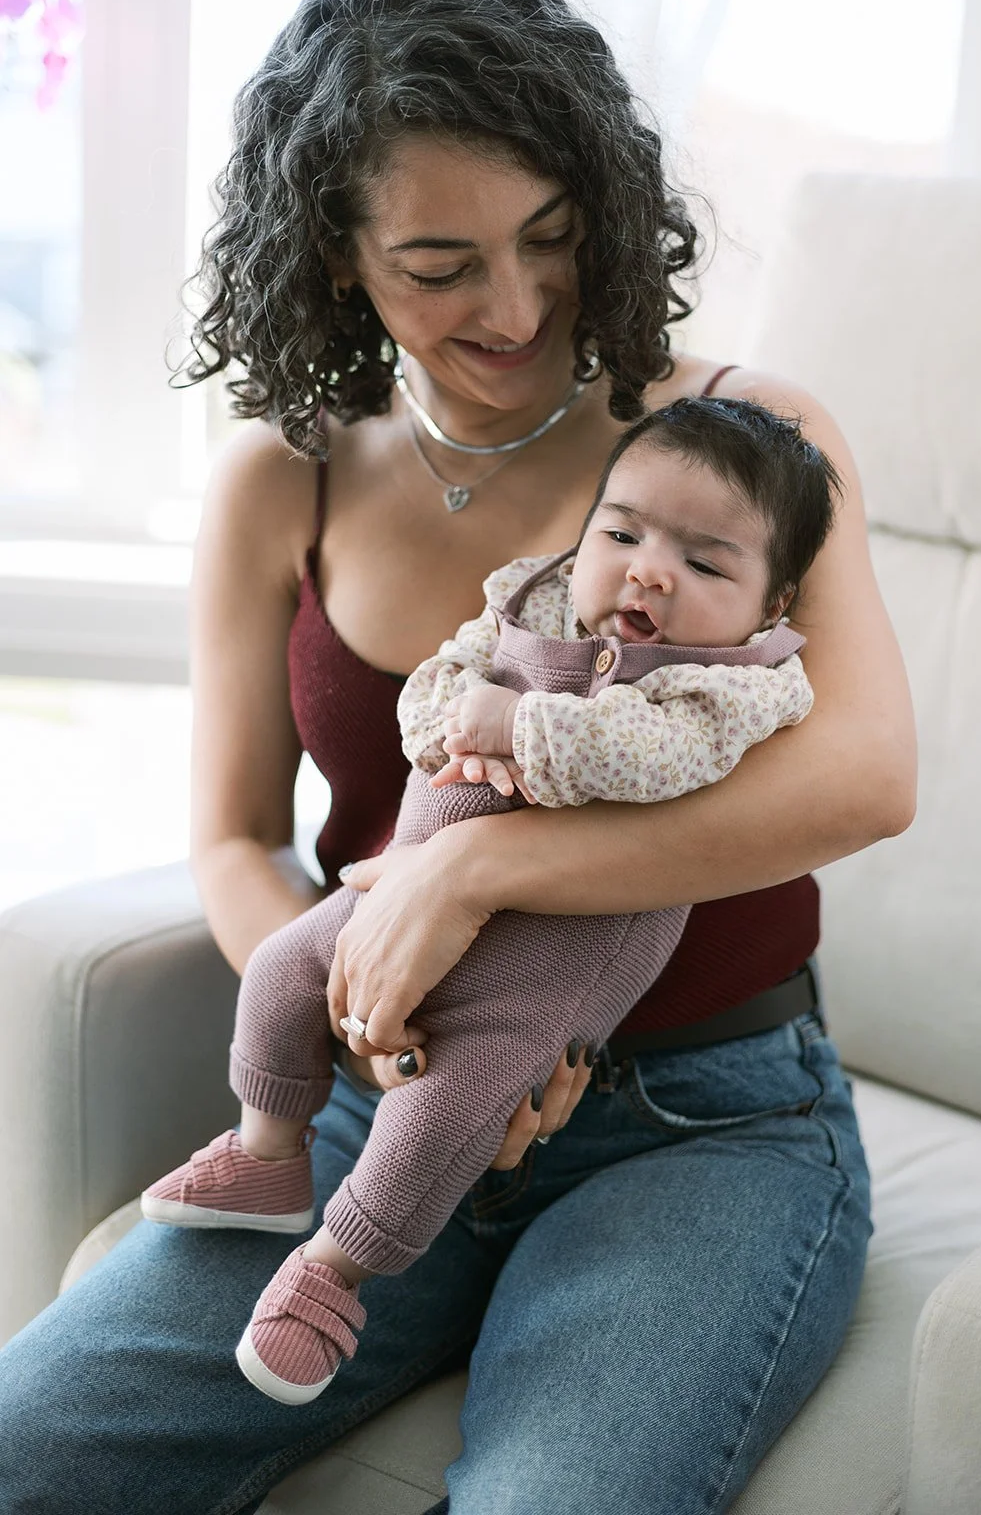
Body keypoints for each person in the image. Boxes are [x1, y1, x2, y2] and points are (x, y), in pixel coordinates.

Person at [0, 0, 915, 1513]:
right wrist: (383, 1016)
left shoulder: (743, 446)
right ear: (333, 256)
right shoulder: (279, 476)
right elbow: (228, 834)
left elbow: (864, 772)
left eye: (550, 237)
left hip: (695, 1125)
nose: (516, 306)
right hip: (378, 1111)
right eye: (439, 267)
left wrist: (469, 877)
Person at [141, 394, 841, 1408]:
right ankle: (265, 1152)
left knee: (448, 1113)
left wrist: (517, 726)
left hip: (549, 976)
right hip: (398, 901)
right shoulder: (534, 596)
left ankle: (333, 1274)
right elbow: (440, 676)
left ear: (770, 609)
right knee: (287, 966)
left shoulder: (737, 684)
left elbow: (648, 757)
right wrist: (442, 724)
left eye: (704, 562)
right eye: (623, 532)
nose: (647, 569)